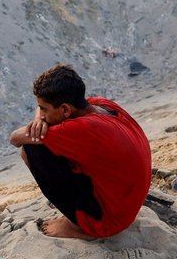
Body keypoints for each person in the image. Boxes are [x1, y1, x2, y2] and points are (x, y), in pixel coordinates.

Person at [9, 64, 151, 239]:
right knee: (43, 141)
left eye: (45, 109)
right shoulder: (101, 105)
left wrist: (39, 124)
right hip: (126, 206)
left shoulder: (81, 128)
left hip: (108, 222)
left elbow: (15, 138)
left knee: (31, 149)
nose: (42, 114)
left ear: (66, 110)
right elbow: (42, 110)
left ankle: (81, 227)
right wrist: (40, 118)